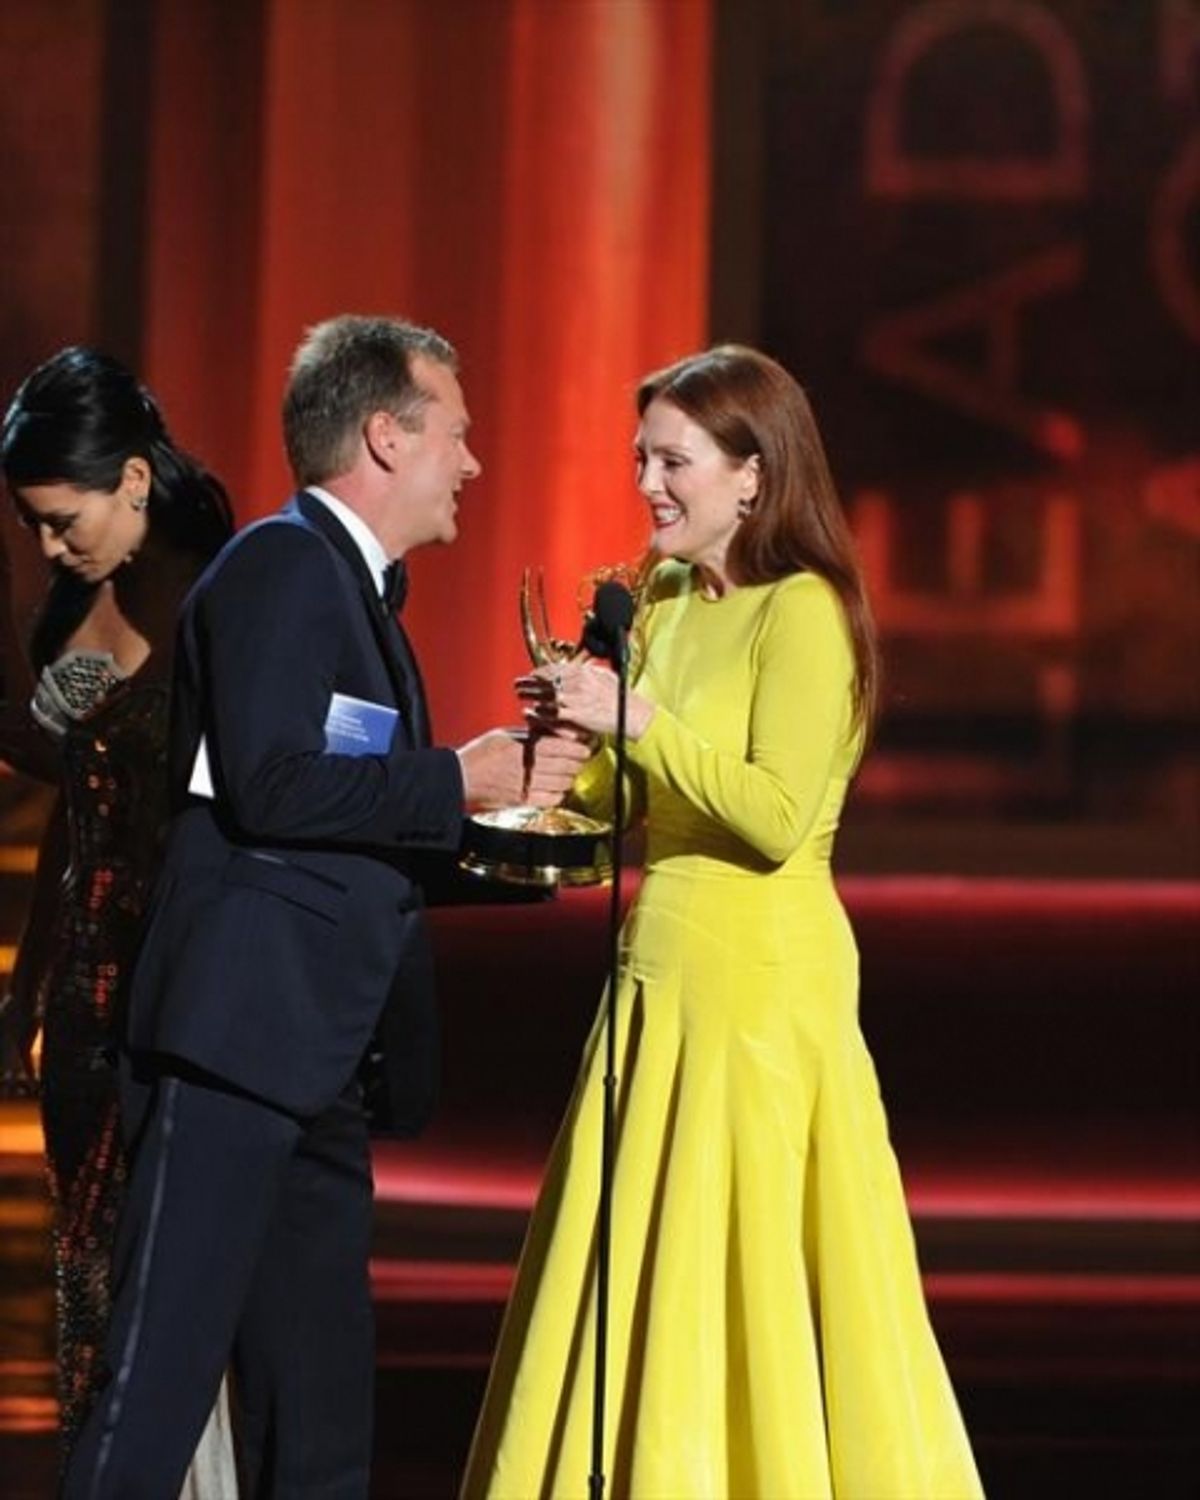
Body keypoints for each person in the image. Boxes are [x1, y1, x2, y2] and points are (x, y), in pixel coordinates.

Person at [59, 313, 590, 1500]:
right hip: (233, 1049)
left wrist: (525, 842)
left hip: (314, 1064)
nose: (473, 462)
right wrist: (458, 777)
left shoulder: (355, 594)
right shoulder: (282, 567)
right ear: (387, 437)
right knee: (156, 1389)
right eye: (457, 433)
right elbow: (273, 778)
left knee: (320, 1419)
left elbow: (341, 830)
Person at [462, 345, 984, 1498]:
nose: (648, 482)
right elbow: (631, 808)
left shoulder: (805, 614)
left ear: (753, 476)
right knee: (643, 1272)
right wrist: (566, 761)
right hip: (660, 981)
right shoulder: (652, 603)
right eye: (641, 456)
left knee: (748, 1271)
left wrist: (634, 716)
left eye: (674, 460)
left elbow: (774, 817)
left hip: (761, 991)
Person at [0, 346, 238, 1495]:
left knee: (175, 1291)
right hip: (86, 1011)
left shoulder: (221, 602)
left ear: (134, 479)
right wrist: (24, 994)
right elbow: (75, 816)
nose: (47, 545)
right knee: (91, 1281)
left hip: (186, 988)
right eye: (33, 524)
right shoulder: (70, 613)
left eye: (61, 519)